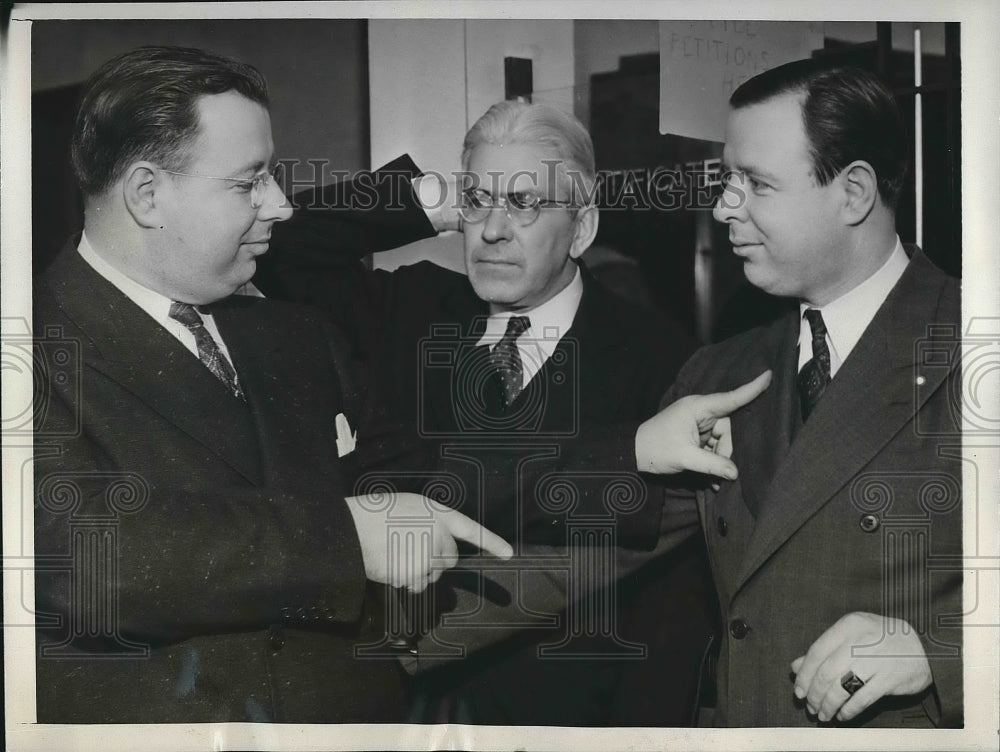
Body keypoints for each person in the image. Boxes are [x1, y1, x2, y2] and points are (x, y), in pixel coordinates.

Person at [31, 45, 514, 724]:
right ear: (146, 194)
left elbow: (416, 472)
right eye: (248, 182)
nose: (283, 206)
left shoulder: (293, 329)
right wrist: (346, 539)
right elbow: (86, 557)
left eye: (274, 175)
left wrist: (628, 449)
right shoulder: (27, 345)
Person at [255, 101, 762, 725]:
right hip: (396, 710)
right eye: (478, 202)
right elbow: (279, 250)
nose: (492, 230)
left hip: (569, 718)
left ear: (581, 229)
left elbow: (663, 591)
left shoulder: (663, 359)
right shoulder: (407, 309)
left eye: (523, 204)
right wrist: (427, 200)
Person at [668, 58, 962, 726]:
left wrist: (943, 650)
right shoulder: (716, 373)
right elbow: (597, 547)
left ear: (853, 193)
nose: (723, 208)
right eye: (727, 180)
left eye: (757, 183)